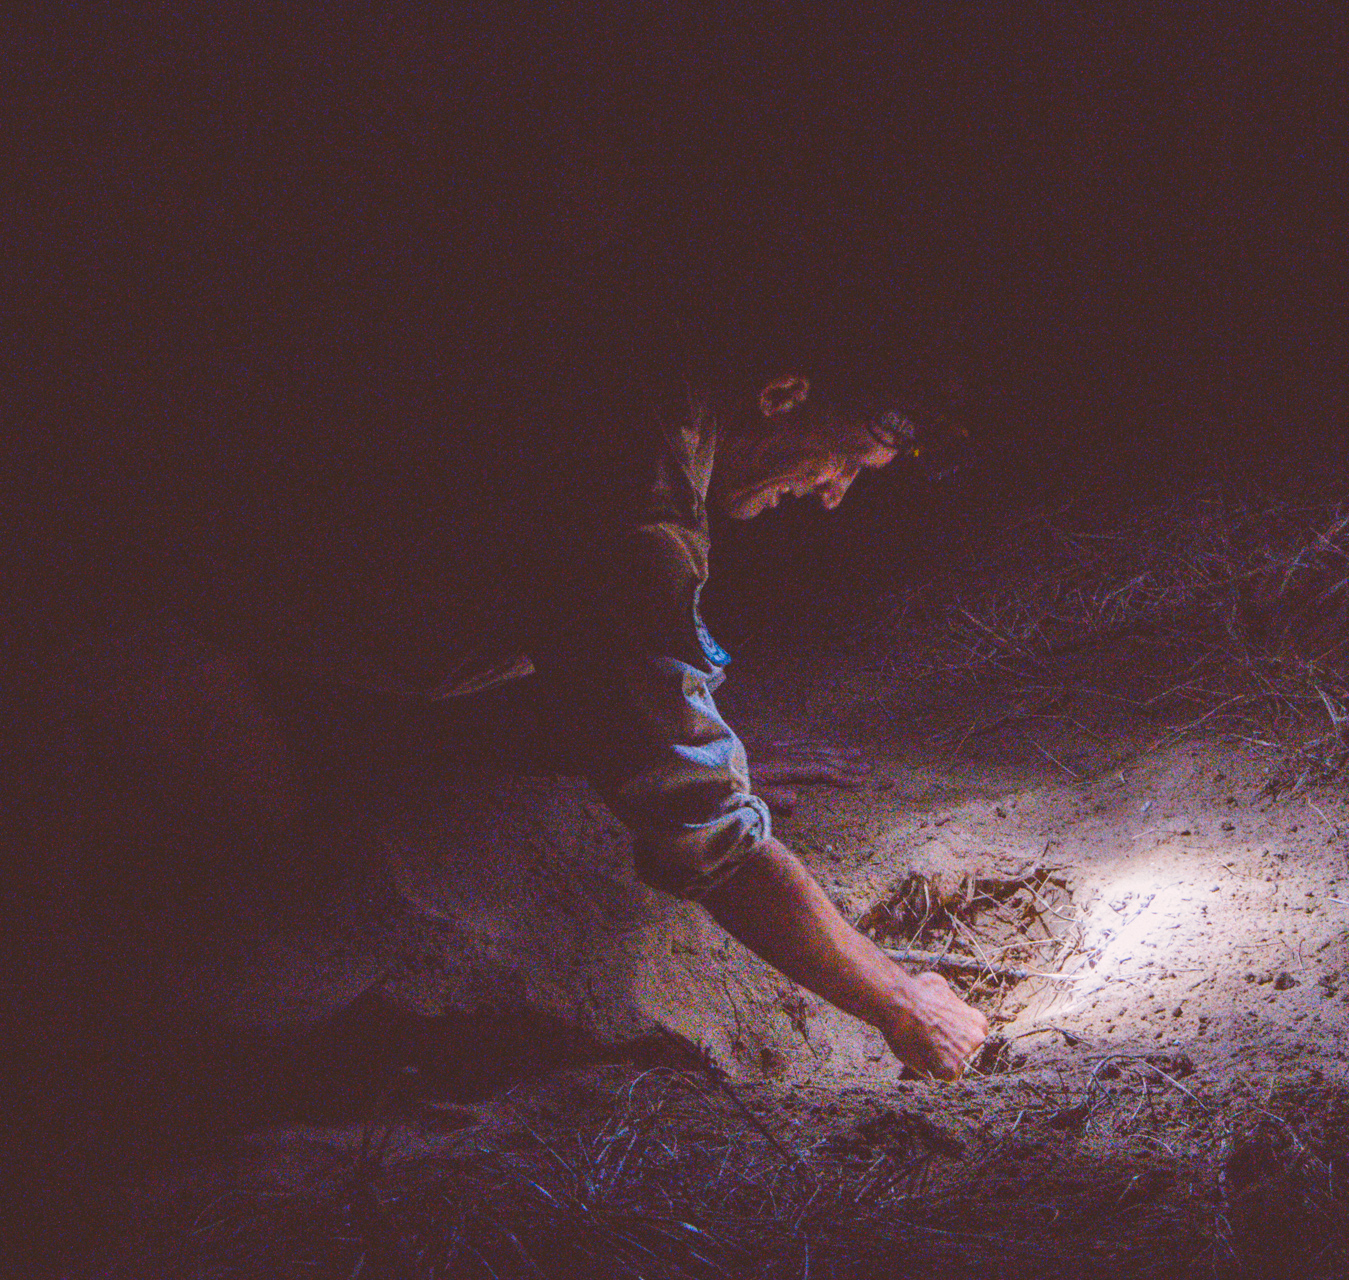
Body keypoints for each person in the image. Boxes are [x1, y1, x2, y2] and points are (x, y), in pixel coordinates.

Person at [21, 348, 991, 1081]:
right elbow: (702, 831)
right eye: (847, 459)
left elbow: (546, 652)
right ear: (783, 388)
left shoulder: (652, 375)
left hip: (211, 554)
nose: (831, 493)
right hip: (95, 545)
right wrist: (901, 1003)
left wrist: (665, 732)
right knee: (224, 865)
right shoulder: (628, 503)